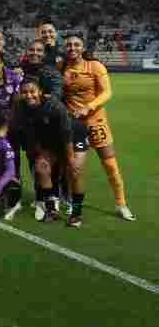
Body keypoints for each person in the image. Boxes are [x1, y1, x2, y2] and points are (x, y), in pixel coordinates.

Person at [62, 35, 135, 222]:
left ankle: (121, 204)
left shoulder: (95, 66)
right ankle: (71, 202)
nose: (72, 47)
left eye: (76, 44)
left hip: (96, 122)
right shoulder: (61, 68)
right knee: (74, 167)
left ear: (83, 47)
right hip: (74, 125)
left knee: (110, 165)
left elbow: (107, 92)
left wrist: (89, 107)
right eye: (69, 45)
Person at [11, 78, 80, 224]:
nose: (29, 95)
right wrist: (40, 151)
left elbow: (66, 133)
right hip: (49, 142)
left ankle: (76, 211)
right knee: (41, 167)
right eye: (24, 92)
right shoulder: (20, 107)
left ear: (40, 92)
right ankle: (51, 210)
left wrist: (70, 158)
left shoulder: (54, 106)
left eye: (32, 91)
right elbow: (30, 131)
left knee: (73, 171)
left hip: (73, 137)